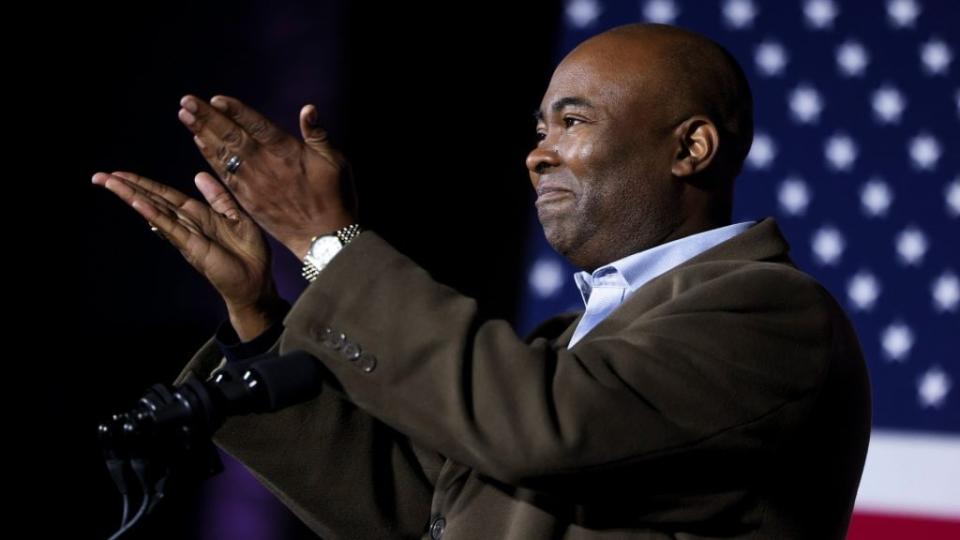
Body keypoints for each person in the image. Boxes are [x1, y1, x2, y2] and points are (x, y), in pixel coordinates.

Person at [93, 23, 871, 540]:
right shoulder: (576, 342)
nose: (537, 153)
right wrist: (261, 315)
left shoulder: (770, 313)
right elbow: (411, 511)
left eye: (573, 121)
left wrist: (327, 243)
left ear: (692, 146)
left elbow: (540, 428)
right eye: (539, 128)